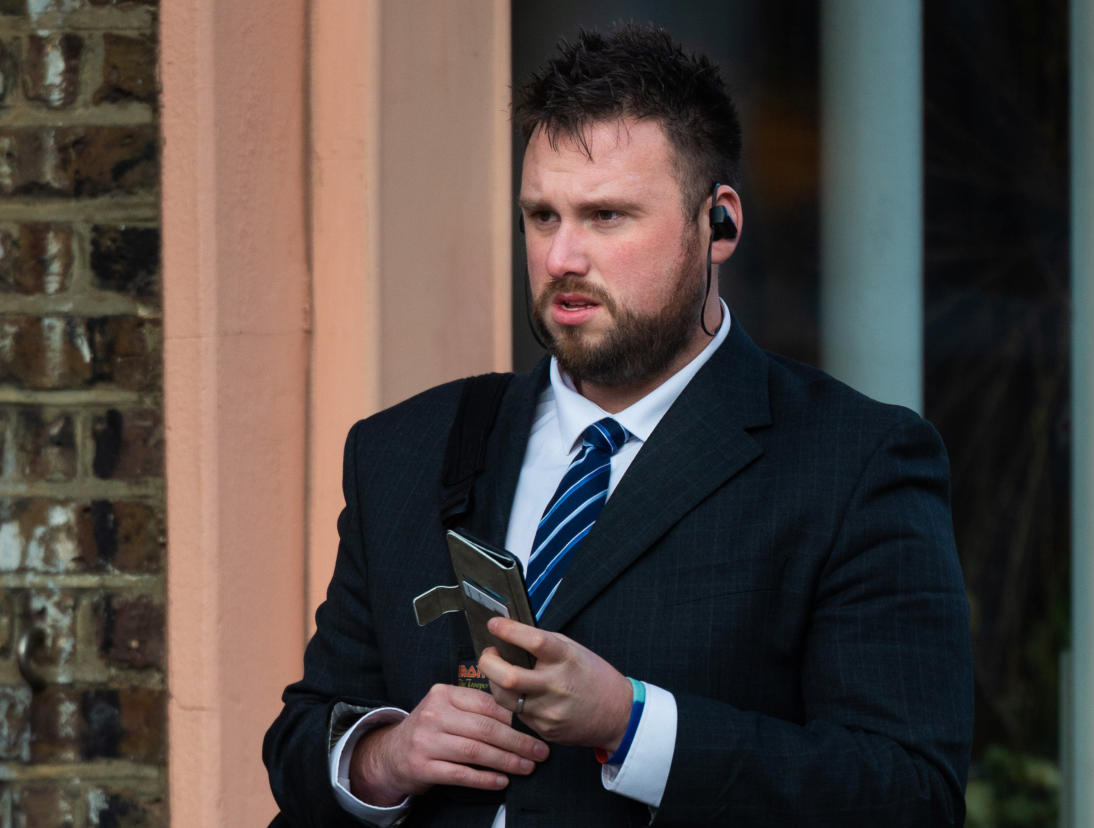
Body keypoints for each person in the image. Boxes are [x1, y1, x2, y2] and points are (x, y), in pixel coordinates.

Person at [264, 23, 972, 827]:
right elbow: (303, 731)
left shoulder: (857, 462)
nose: (562, 256)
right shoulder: (406, 448)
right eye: (542, 217)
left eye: (606, 217)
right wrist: (382, 756)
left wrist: (633, 724)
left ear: (720, 224)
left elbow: (909, 796)